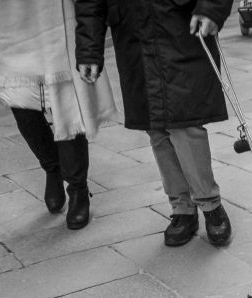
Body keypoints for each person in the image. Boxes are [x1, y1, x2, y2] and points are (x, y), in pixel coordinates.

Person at [75, 0, 234, 246]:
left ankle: (210, 204)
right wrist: (88, 50)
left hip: (179, 26)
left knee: (185, 123)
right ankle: (182, 207)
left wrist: (211, 8)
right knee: (156, 127)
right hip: (133, 35)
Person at [0, 0, 119, 229]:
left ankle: (77, 188)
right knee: (22, 106)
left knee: (68, 105)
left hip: (55, 17)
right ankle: (52, 167)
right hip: (10, 25)